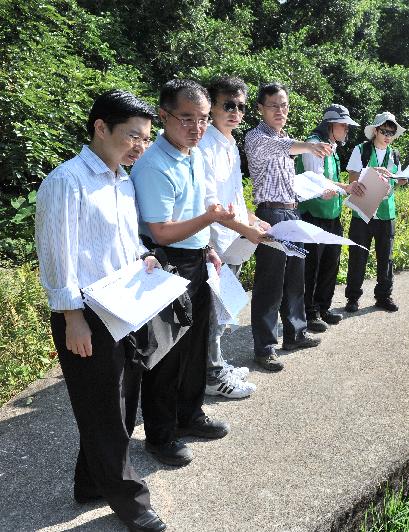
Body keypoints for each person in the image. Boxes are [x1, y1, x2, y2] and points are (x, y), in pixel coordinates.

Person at [35, 90, 167, 531]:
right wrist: (72, 318)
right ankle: (129, 499)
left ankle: (90, 482)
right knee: (104, 409)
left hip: (123, 303)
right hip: (86, 313)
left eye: (146, 139)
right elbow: (57, 257)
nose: (140, 147)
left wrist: (142, 257)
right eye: (133, 136)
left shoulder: (120, 179)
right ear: (100, 127)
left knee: (120, 402)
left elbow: (123, 240)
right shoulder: (65, 182)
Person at [131, 79, 236, 468]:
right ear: (163, 115)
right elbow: (160, 230)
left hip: (195, 259)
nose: (197, 128)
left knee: (194, 347)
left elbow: (194, 209)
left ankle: (189, 415)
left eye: (204, 119)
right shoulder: (153, 164)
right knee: (166, 353)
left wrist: (207, 244)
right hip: (164, 263)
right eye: (187, 119)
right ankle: (160, 436)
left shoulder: (193, 154)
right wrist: (208, 220)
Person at [244, 82, 334, 369]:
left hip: (292, 213)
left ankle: (295, 333)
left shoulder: (286, 140)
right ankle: (265, 347)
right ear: (260, 108)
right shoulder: (257, 137)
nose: (280, 111)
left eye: (284, 105)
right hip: (269, 215)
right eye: (274, 106)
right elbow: (284, 146)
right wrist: (309, 145)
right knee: (270, 284)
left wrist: (319, 190)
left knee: (296, 278)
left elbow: (289, 182)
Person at [199, 75, 271, 399]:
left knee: (225, 310)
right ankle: (212, 376)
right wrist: (247, 229)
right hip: (215, 242)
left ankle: (216, 364)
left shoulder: (229, 143)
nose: (235, 112)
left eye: (241, 107)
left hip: (236, 241)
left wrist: (254, 219)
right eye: (228, 105)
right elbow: (210, 204)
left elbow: (235, 197)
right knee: (213, 312)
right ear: (211, 106)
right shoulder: (205, 144)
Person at [295, 104, 363, 332]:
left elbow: (330, 181)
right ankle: (310, 312)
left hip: (332, 213)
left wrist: (345, 188)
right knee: (312, 266)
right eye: (343, 125)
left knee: (330, 263)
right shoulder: (313, 144)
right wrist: (346, 186)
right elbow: (315, 180)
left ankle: (323, 307)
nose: (346, 130)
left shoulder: (332, 147)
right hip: (313, 214)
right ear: (330, 125)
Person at [344, 111, 408, 313]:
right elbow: (352, 178)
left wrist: (401, 179)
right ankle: (352, 298)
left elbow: (398, 178)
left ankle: (383, 296)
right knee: (357, 256)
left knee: (385, 257)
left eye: (392, 131)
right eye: (384, 131)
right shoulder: (361, 150)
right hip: (363, 210)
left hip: (386, 212)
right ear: (375, 131)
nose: (388, 135)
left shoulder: (394, 154)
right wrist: (372, 174)